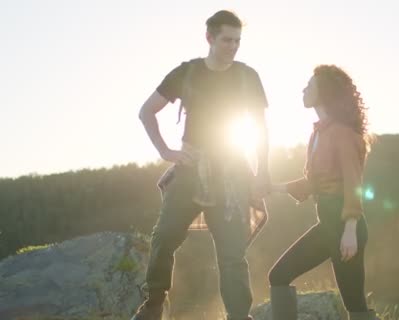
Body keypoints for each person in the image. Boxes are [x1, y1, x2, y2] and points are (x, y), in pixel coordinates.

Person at [133, 10, 270, 320]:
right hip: (190, 169)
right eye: (226, 40)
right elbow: (146, 112)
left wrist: (263, 171)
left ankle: (238, 315)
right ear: (209, 37)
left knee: (232, 253)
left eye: (237, 41)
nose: (233, 47)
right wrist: (166, 151)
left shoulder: (248, 76)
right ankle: (154, 305)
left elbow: (261, 128)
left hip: (234, 172)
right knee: (164, 236)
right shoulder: (187, 73)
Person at [268, 65, 378, 320]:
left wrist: (350, 229)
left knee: (355, 304)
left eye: (310, 86)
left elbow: (353, 182)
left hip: (345, 227)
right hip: (328, 225)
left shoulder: (342, 134)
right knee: (279, 276)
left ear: (324, 92)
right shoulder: (319, 133)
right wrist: (273, 188)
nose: (304, 90)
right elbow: (314, 183)